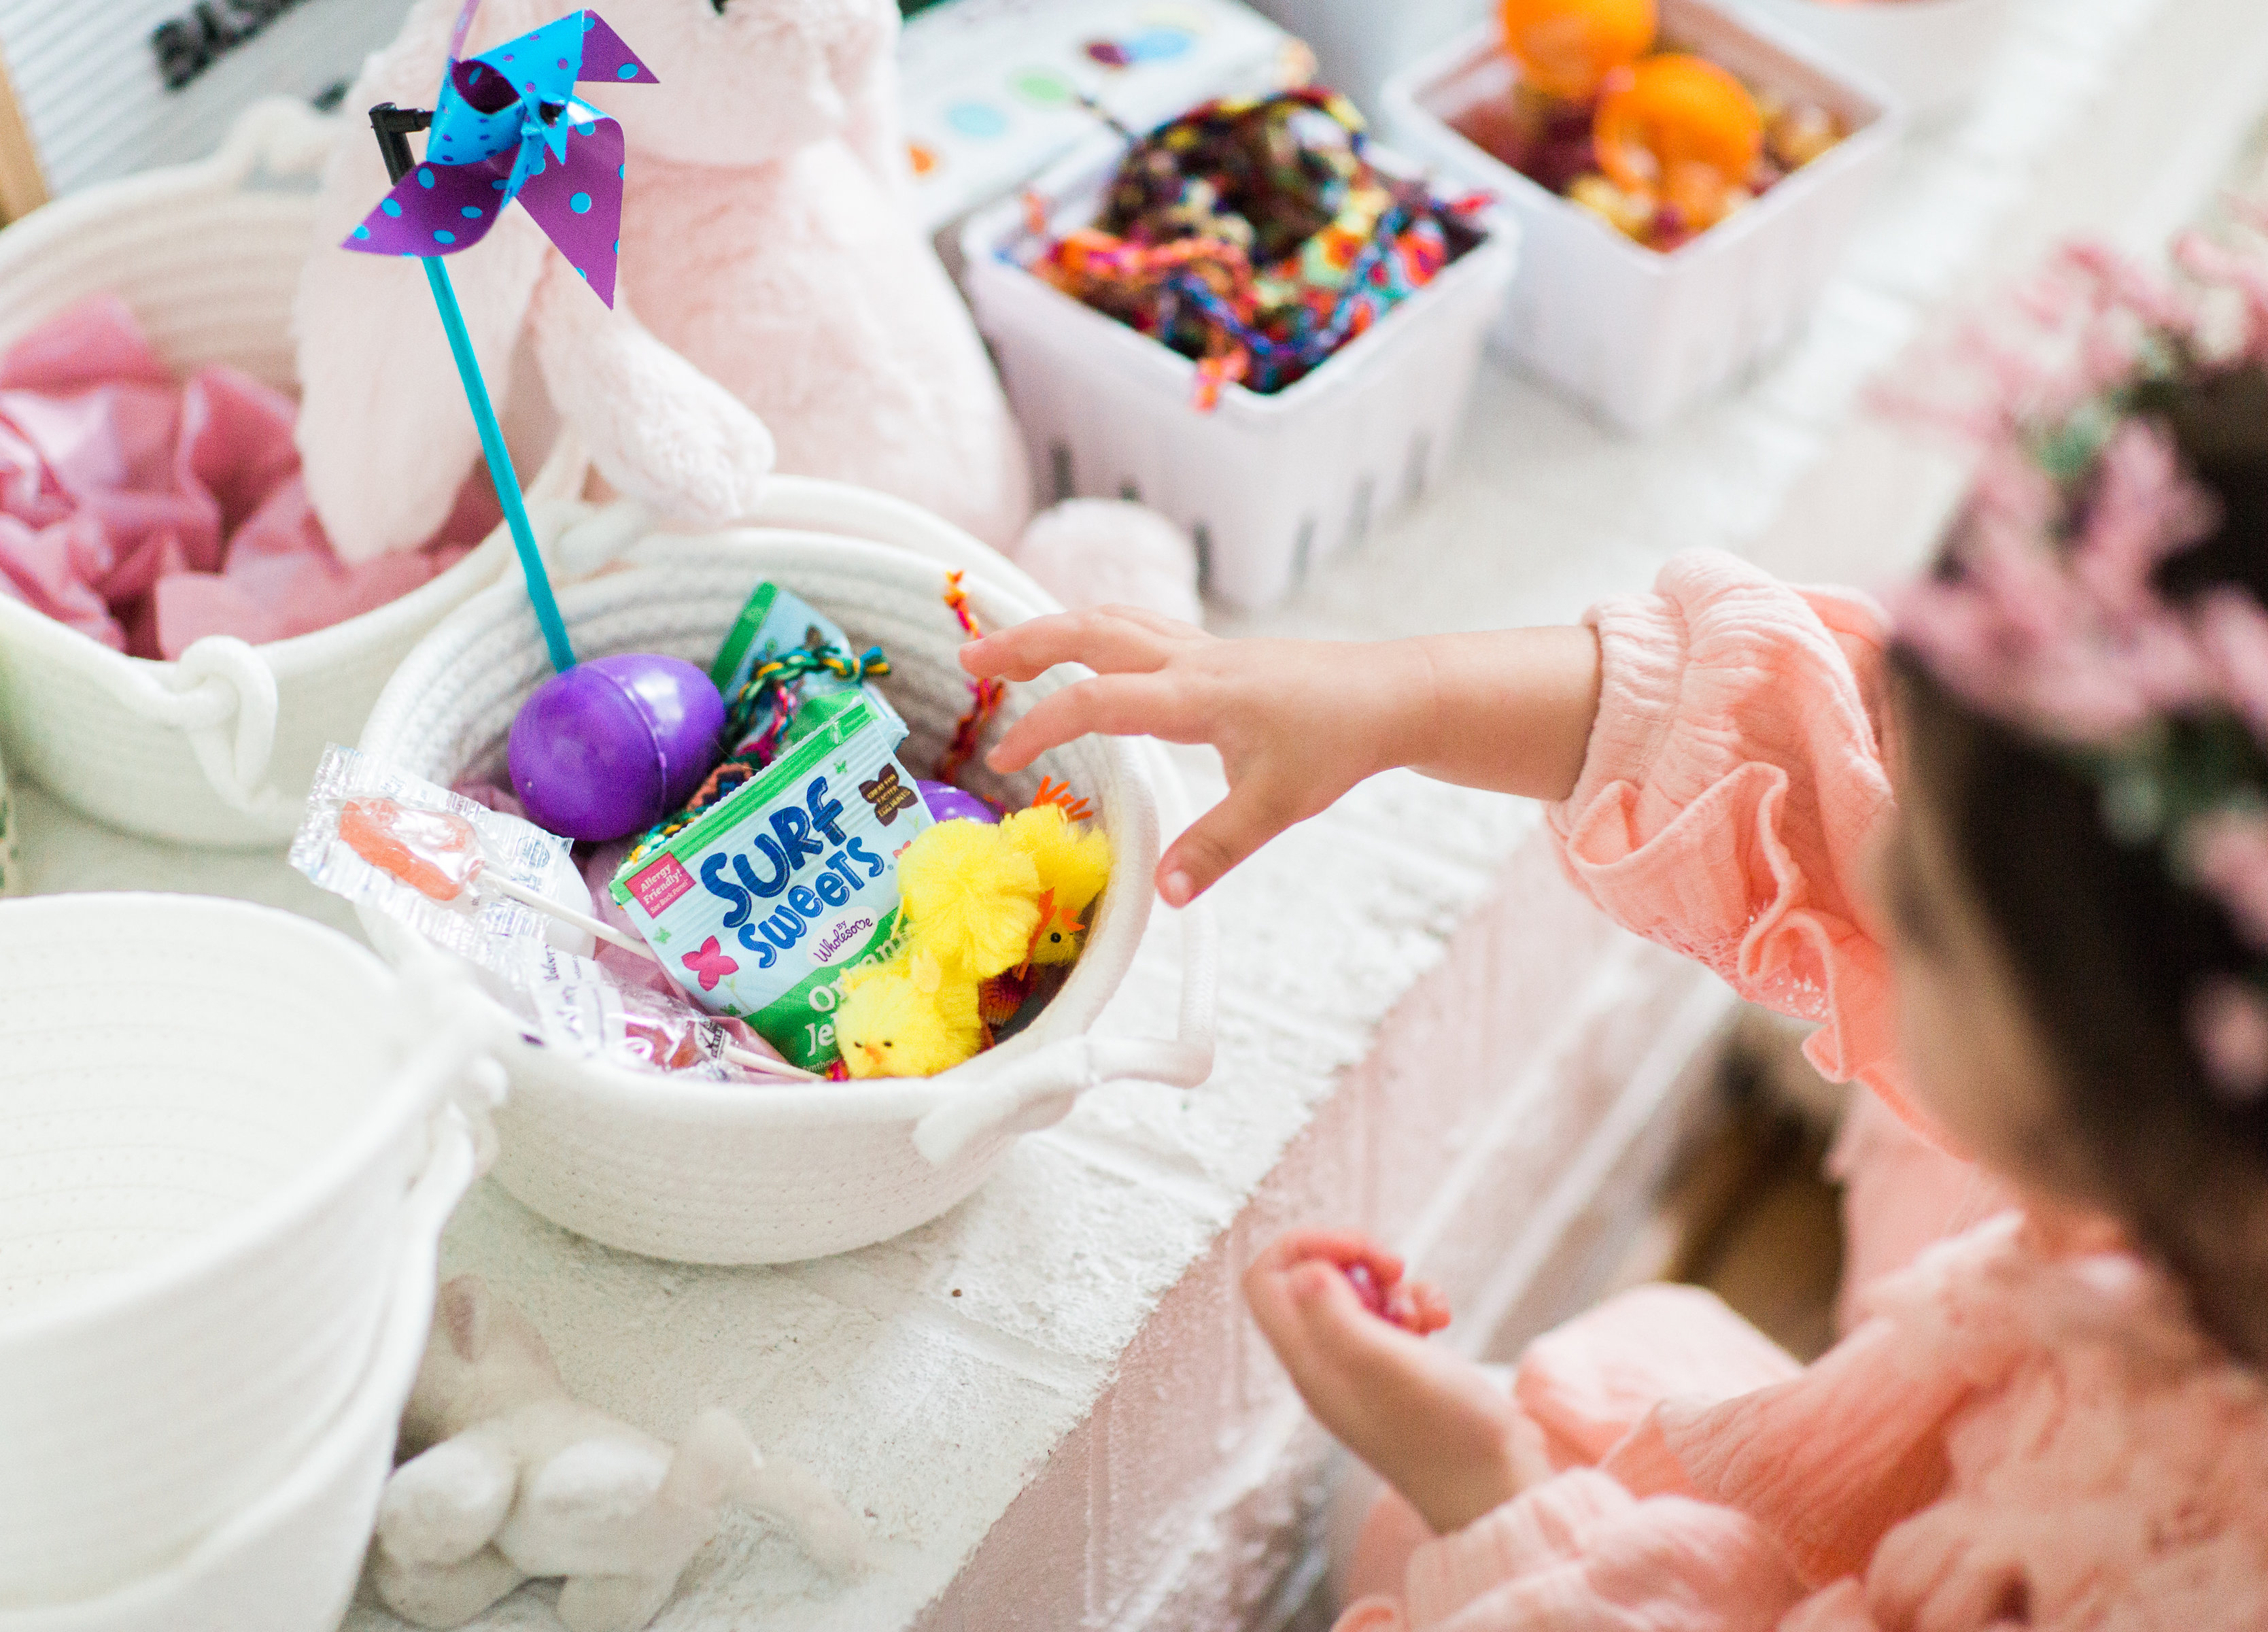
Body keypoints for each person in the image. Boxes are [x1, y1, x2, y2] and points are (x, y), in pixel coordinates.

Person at [956, 240, 2268, 1629]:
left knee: (1423, 1509)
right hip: (1910, 1433)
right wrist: (1390, 698)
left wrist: (1500, 1493)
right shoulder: (2187, 1111)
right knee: (1583, 1391)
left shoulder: (2145, 1569)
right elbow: (1809, 744)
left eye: (1925, 913)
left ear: (2134, 1076)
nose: (1870, 857)